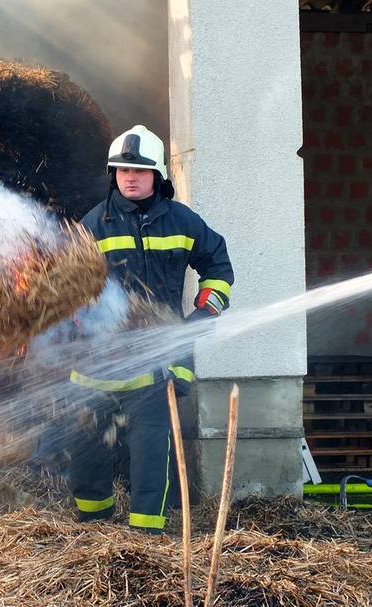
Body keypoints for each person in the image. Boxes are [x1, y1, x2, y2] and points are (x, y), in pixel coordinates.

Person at [69, 124, 234, 534]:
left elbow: (219, 267)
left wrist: (203, 314)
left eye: (139, 171)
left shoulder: (182, 221)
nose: (130, 176)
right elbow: (67, 289)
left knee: (151, 453)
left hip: (157, 361)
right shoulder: (93, 226)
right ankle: (93, 531)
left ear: (157, 175)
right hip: (97, 364)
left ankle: (145, 539)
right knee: (89, 450)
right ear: (113, 174)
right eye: (122, 170)